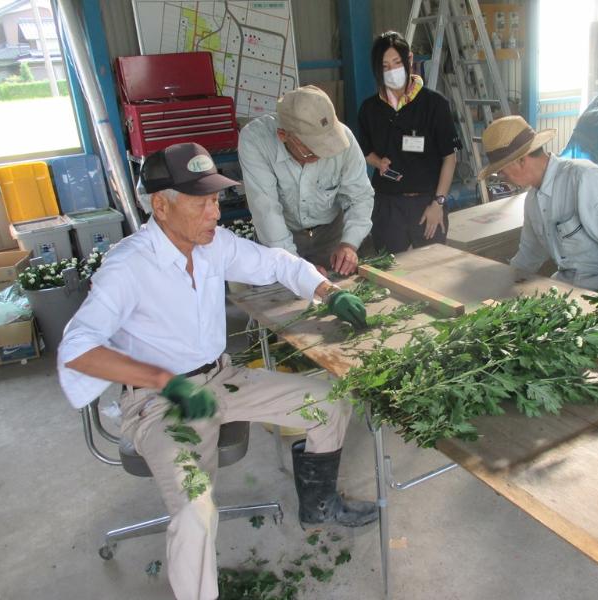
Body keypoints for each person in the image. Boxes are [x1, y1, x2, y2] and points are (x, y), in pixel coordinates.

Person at [57, 143, 377, 600]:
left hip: (222, 378)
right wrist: (164, 381)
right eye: (202, 202)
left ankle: (319, 505)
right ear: (161, 205)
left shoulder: (212, 246)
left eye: (215, 200)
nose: (215, 213)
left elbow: (276, 262)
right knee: (196, 509)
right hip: (159, 402)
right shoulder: (128, 266)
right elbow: (75, 351)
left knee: (329, 401)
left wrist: (327, 291)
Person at [477, 116, 598, 291]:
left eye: (501, 170)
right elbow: (530, 254)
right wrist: (503, 282)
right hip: (565, 287)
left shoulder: (583, 179)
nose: (501, 176)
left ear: (521, 160)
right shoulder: (532, 200)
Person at [239, 85, 374, 276]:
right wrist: (296, 269)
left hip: (330, 234)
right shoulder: (255, 140)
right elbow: (267, 211)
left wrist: (349, 244)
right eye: (312, 149)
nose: (321, 153)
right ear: (283, 136)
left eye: (327, 145)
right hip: (280, 237)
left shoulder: (346, 140)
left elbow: (360, 196)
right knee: (283, 299)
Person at [357, 30, 461, 253]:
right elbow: (364, 149)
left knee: (432, 269)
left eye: (397, 62)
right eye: (385, 66)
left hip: (426, 203)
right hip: (387, 205)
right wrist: (377, 162)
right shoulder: (369, 109)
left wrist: (438, 203)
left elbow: (449, 158)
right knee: (392, 270)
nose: (392, 70)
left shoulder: (434, 104)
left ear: (409, 60)